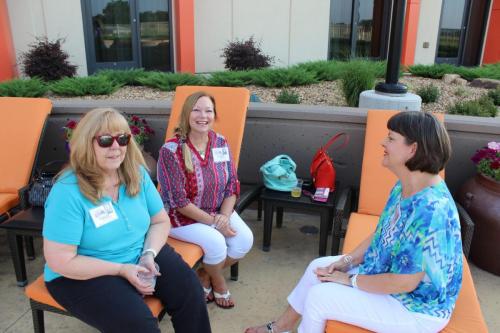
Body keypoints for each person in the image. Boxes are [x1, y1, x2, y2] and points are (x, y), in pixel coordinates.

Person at [246, 111, 463, 333]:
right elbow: (382, 233)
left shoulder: (431, 210)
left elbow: (404, 282)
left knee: (320, 297)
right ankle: (282, 327)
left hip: (416, 308)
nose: (382, 142)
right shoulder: (406, 185)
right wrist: (347, 261)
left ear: (413, 149)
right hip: (392, 279)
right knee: (317, 268)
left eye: (390, 138)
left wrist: (350, 279)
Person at [43, 108, 211, 333]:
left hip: (138, 253)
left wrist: (148, 253)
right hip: (82, 272)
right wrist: (122, 269)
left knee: (190, 290)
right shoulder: (67, 191)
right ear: (85, 144)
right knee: (138, 324)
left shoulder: (136, 173)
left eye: (122, 138)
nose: (116, 147)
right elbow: (61, 261)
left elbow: (160, 221)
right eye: (105, 140)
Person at [157, 91, 254, 309]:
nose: (203, 116)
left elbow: (231, 185)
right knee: (217, 242)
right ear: (186, 114)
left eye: (208, 110)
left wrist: (224, 217)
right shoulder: (171, 151)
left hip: (218, 209)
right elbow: (179, 202)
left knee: (244, 240)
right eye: (196, 110)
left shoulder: (220, 142)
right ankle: (218, 282)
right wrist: (214, 223)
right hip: (180, 217)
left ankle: (204, 274)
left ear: (214, 114)